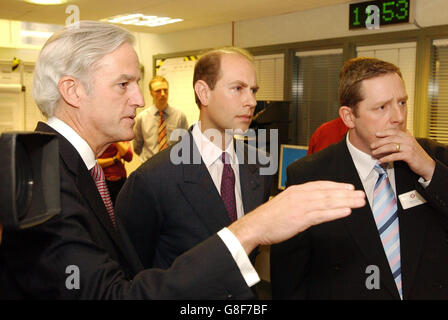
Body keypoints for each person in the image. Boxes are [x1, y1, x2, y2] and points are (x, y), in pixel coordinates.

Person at [0, 21, 366, 300]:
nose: (140, 99)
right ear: (72, 90)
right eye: (124, 84)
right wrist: (251, 229)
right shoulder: (41, 175)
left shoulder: (69, 168)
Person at [270, 57, 448, 300]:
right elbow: (290, 278)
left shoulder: (433, 157)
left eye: (402, 102)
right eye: (382, 107)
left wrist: (428, 169)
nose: (398, 116)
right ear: (349, 117)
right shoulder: (309, 175)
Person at [116, 47, 272, 270]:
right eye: (238, 88)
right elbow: (136, 274)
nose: (251, 101)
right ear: (204, 93)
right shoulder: (151, 180)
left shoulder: (259, 167)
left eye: (253, 90)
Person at [133, 75, 188, 162]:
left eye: (165, 90)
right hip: (148, 167)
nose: (163, 94)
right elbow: (137, 147)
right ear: (151, 93)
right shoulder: (142, 118)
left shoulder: (180, 116)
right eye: (158, 91)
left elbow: (185, 145)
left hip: (173, 167)